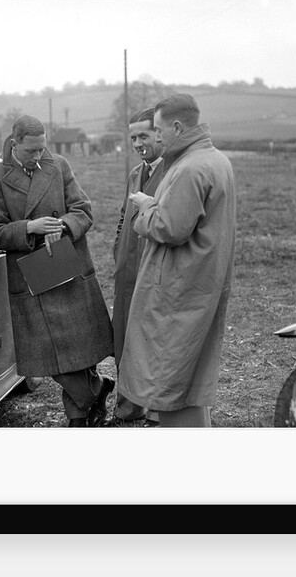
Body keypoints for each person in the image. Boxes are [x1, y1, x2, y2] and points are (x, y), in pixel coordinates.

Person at [0, 115, 115, 427]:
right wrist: (30, 227)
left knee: (78, 350)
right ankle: (95, 391)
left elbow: (83, 210)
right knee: (49, 356)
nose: (39, 156)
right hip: (30, 278)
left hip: (67, 267)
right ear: (14, 145)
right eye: (32, 151)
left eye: (43, 149)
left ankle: (77, 417)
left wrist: (64, 225)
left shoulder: (59, 165)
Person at [119, 93, 236, 428]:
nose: (155, 137)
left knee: (171, 376)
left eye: (157, 130)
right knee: (189, 379)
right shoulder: (214, 160)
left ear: (176, 126)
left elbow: (170, 228)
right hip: (200, 280)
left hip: (179, 287)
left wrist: (145, 209)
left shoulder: (189, 168)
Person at [107, 107, 165, 427]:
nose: (138, 143)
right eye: (132, 137)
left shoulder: (174, 172)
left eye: (144, 135)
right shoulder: (134, 174)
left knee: (153, 341)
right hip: (126, 273)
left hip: (155, 272)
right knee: (125, 339)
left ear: (161, 133)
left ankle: (157, 411)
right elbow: (122, 218)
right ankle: (128, 407)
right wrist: (119, 250)